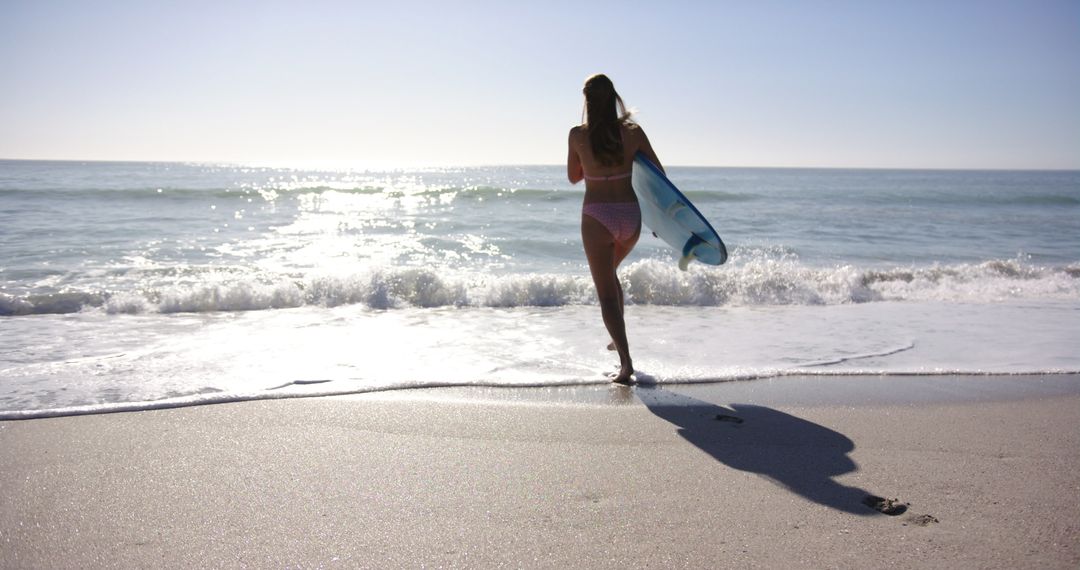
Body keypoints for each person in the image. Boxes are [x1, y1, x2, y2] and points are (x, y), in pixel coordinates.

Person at [567, 73, 663, 384]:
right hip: (629, 216)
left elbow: (573, 176)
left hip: (597, 216)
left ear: (587, 101)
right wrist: (662, 221)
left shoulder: (577, 136)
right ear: (614, 98)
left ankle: (625, 364)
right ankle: (615, 339)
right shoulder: (633, 132)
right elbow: (658, 175)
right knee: (610, 276)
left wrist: (592, 164)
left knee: (606, 293)